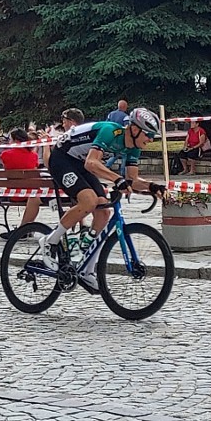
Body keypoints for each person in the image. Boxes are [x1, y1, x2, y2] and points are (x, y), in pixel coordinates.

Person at [41, 108, 166, 291]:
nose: (150, 140)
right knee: (89, 201)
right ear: (133, 129)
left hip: (82, 163)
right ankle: (50, 240)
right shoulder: (111, 131)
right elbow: (92, 163)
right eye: (148, 134)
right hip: (62, 159)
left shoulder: (134, 147)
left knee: (104, 212)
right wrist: (117, 179)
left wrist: (153, 187)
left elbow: (132, 179)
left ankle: (87, 270)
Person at [0, 127, 41, 239]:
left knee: (33, 198)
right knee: (34, 198)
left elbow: (4, 166)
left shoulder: (6, 154)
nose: (9, 142)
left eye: (10, 139)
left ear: (16, 140)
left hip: (14, 193)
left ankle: (23, 230)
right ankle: (26, 228)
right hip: (30, 193)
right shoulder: (34, 156)